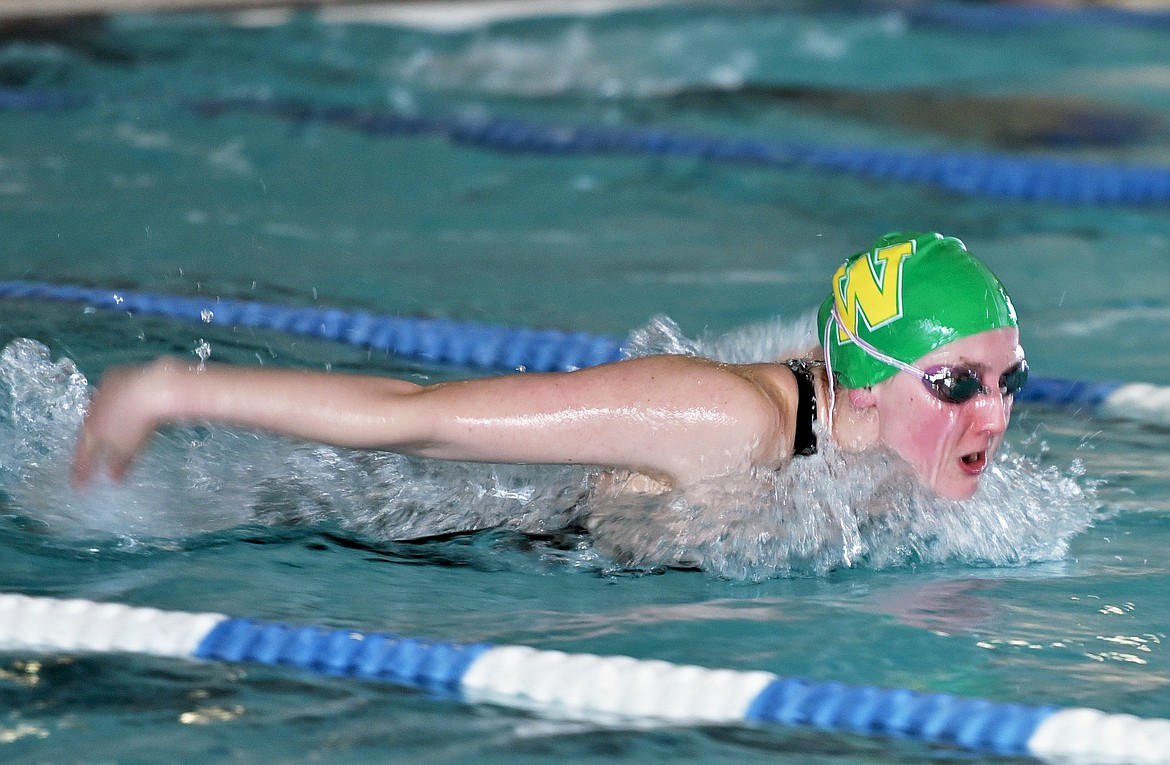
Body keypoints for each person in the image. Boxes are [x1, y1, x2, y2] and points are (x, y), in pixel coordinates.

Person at [71, 231, 1027, 505]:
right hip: (408, 542)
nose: (993, 417)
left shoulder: (883, 450)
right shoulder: (715, 417)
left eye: (1008, 382)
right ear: (862, 377)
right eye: (956, 384)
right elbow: (419, 416)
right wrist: (171, 389)